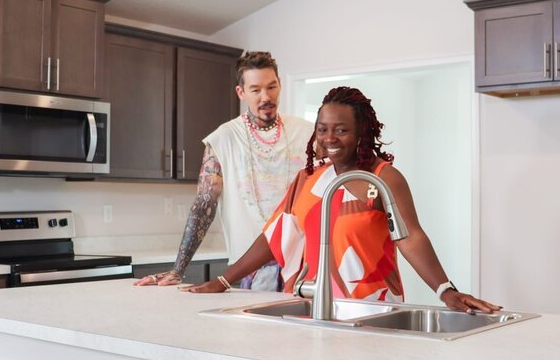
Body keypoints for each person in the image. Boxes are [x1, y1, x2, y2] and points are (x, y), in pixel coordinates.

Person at [183, 86, 501, 313]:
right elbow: (274, 237)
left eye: (341, 130)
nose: (329, 138)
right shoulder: (308, 179)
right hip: (314, 308)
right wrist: (224, 280)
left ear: (361, 131)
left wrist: (445, 290)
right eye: (322, 129)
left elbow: (410, 237)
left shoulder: (383, 178)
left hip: (373, 309)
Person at [134, 51, 313, 290]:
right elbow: (204, 204)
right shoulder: (223, 139)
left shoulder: (307, 132)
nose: (266, 97)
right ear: (241, 92)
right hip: (252, 269)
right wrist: (179, 269)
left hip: (304, 265)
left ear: (280, 85)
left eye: (271, 87)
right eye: (256, 89)